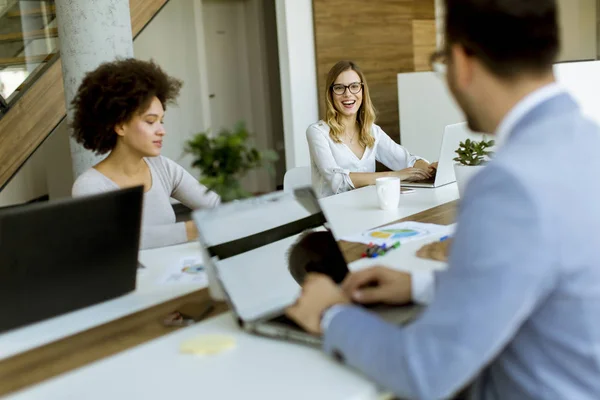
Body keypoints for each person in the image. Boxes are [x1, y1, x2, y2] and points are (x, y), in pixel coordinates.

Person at [286, 0, 600, 399]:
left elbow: (426, 371)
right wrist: (418, 286)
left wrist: (331, 313)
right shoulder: (588, 140)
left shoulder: (510, 183)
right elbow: (530, 280)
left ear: (461, 60)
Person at [71, 59, 220, 250]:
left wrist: (255, 209)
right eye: (150, 121)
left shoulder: (162, 167)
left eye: (161, 121)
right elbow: (119, 240)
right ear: (120, 125)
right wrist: (194, 229)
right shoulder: (90, 186)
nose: (161, 131)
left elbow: (216, 205)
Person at [306, 60, 437, 197]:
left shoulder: (371, 131)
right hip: (332, 213)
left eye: (354, 86)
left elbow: (404, 160)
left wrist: (430, 168)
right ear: (330, 94)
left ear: (362, 91)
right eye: (339, 88)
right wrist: (394, 175)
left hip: (367, 207)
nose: (348, 94)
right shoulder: (317, 132)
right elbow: (338, 181)